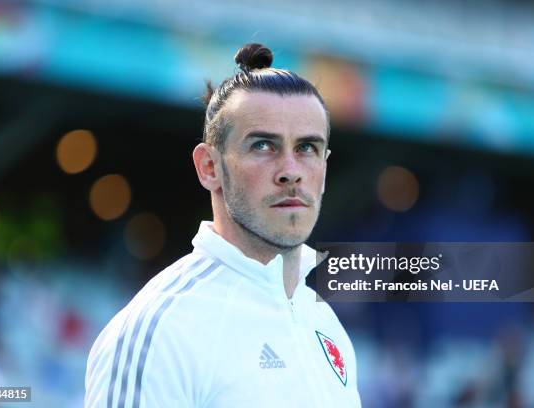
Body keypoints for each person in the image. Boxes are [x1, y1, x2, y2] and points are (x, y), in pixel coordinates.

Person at [85, 43, 361, 408]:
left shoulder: (326, 325)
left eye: (307, 148)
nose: (291, 171)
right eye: (263, 145)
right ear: (209, 167)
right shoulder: (162, 330)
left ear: (324, 167)